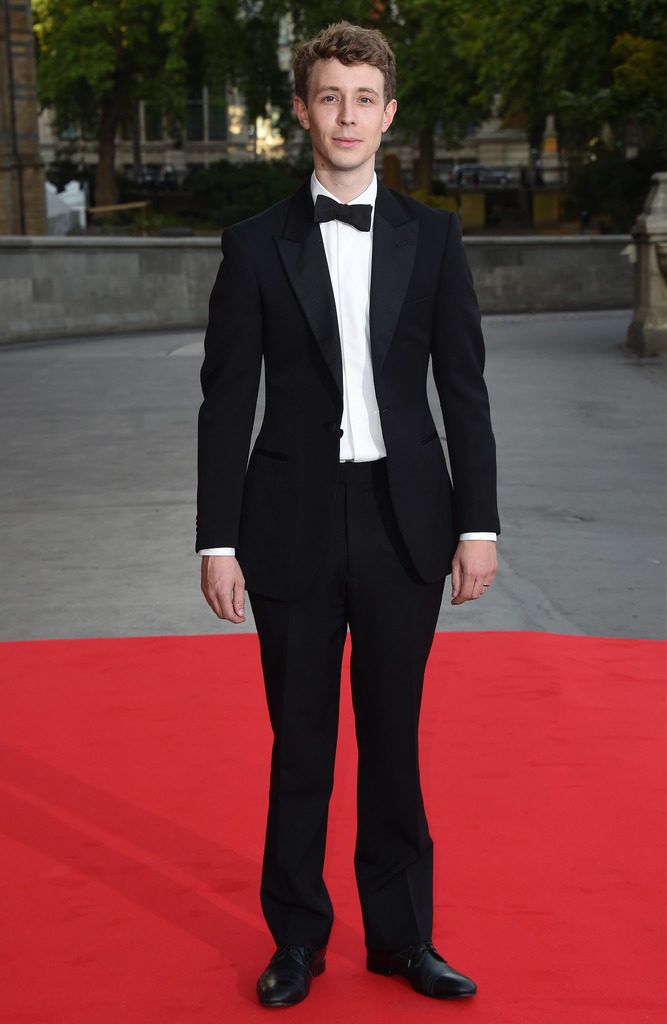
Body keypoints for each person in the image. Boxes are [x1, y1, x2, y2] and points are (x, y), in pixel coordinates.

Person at [197, 20, 499, 1009]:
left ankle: (404, 940)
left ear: (389, 113)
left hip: (405, 517)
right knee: (302, 745)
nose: (347, 116)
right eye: (329, 96)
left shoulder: (436, 237)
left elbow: (465, 392)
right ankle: (296, 940)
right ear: (301, 108)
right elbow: (224, 399)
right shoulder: (251, 247)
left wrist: (477, 522)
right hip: (287, 521)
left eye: (364, 99)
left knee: (393, 740)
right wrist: (217, 537)